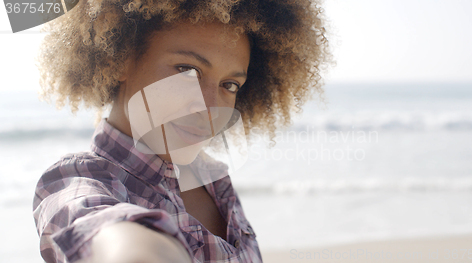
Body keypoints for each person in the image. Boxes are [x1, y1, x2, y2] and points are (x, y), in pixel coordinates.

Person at [32, 0, 330, 262]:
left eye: (229, 85)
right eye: (187, 70)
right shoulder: (76, 181)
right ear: (120, 57)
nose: (210, 108)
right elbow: (114, 240)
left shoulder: (213, 181)